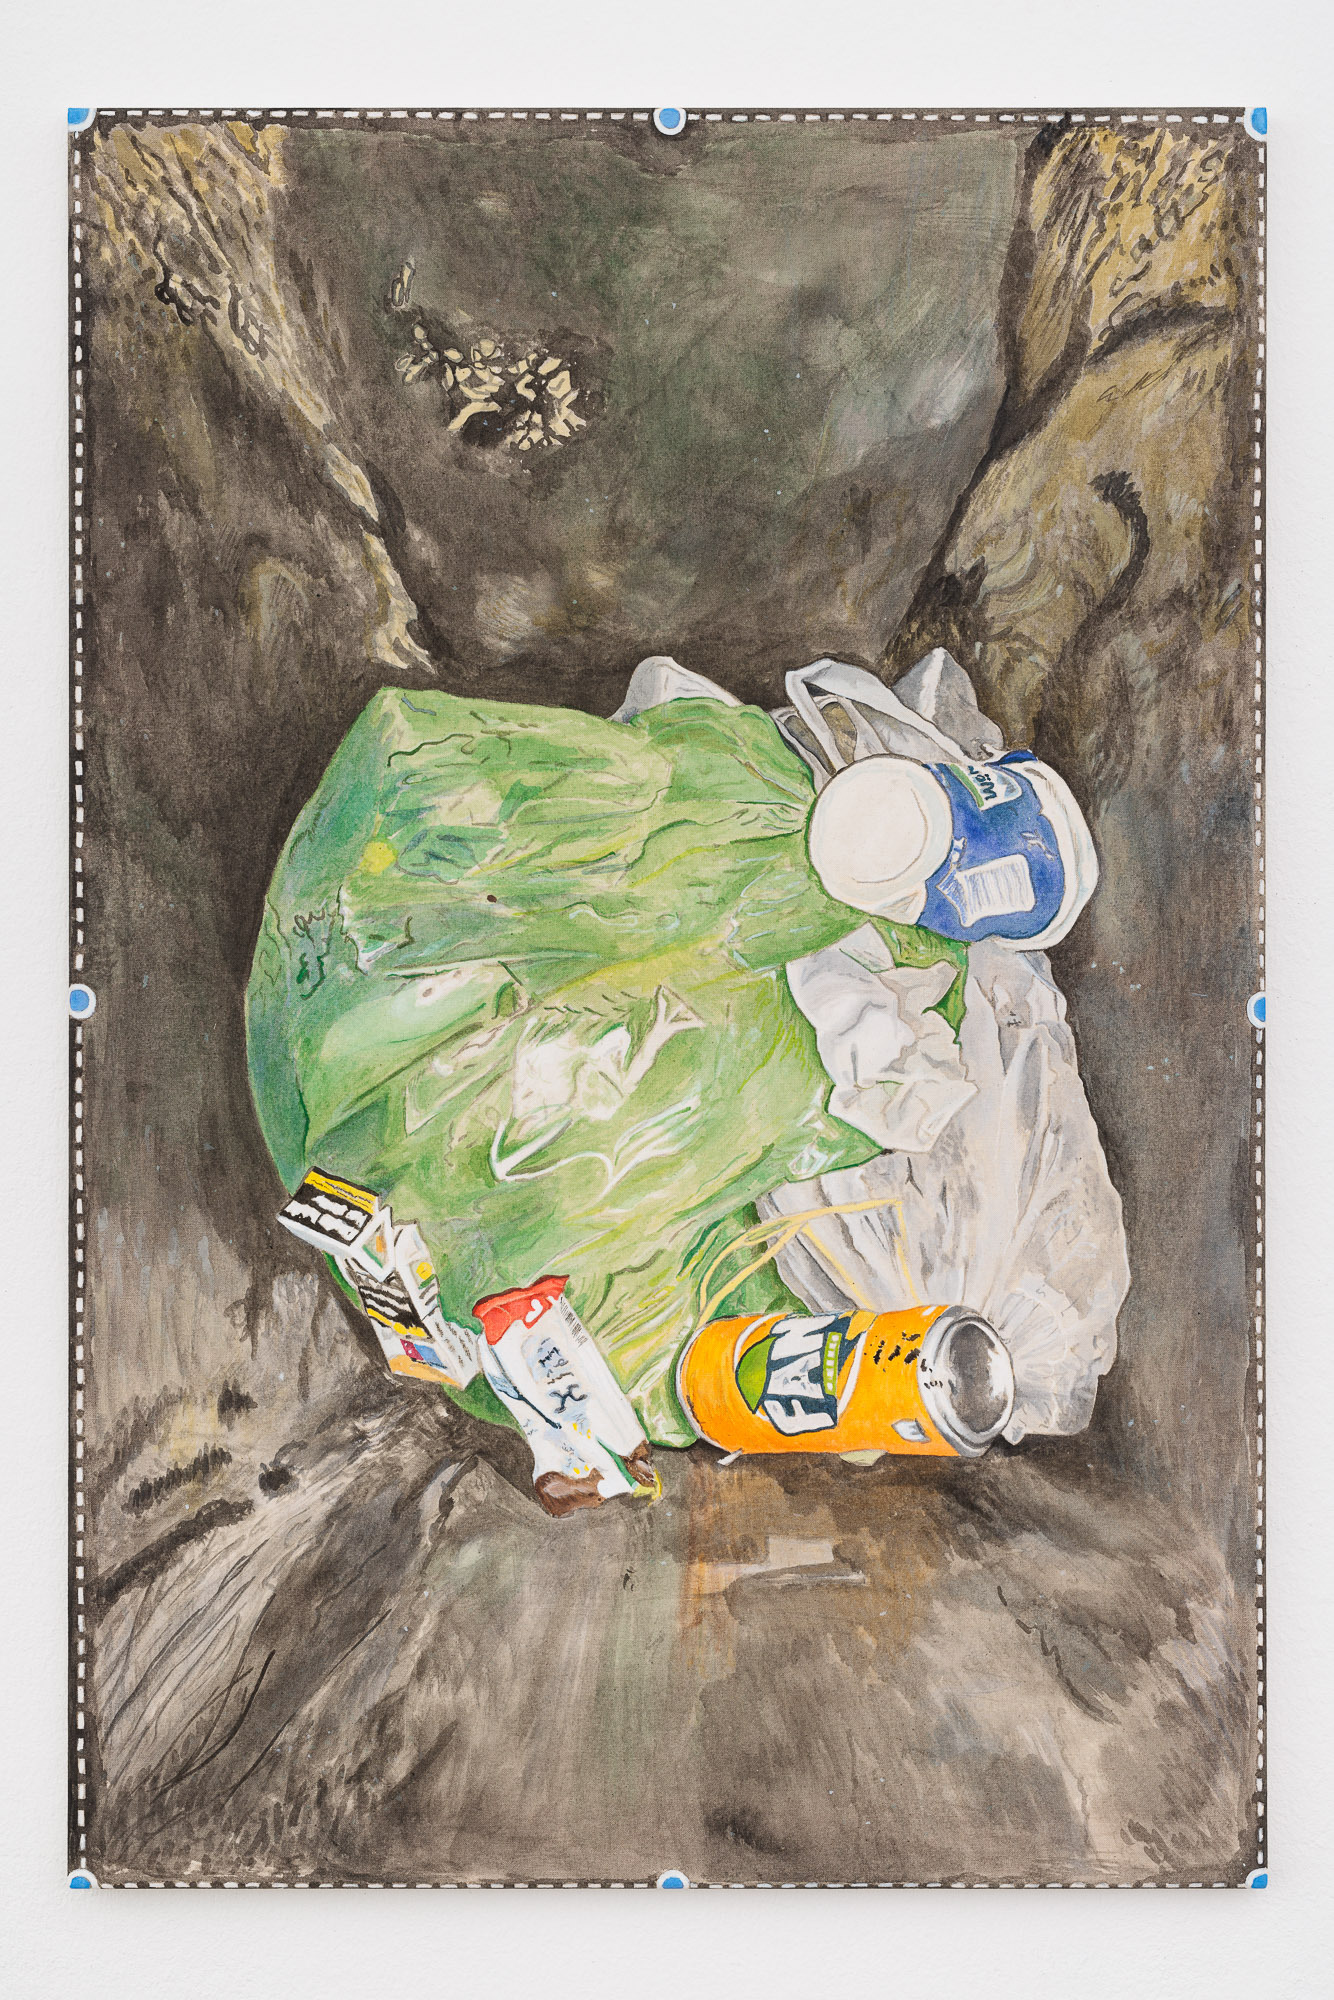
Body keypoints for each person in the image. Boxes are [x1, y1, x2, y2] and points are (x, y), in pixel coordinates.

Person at [246, 651, 1109, 1461]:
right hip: (458, 1129)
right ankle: (932, 852)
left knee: (637, 1073)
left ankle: (928, 847)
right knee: (653, 1058)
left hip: (410, 1107)